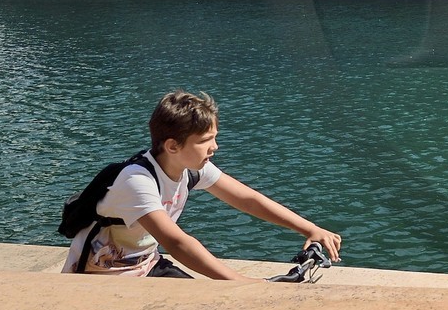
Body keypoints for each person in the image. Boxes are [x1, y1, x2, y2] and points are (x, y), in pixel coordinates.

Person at [61, 91, 342, 280]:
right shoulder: (137, 181)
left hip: (145, 266)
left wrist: (309, 228)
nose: (214, 147)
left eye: (214, 137)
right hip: (99, 279)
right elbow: (178, 242)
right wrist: (239, 282)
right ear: (172, 146)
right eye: (205, 141)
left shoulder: (190, 169)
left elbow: (247, 199)